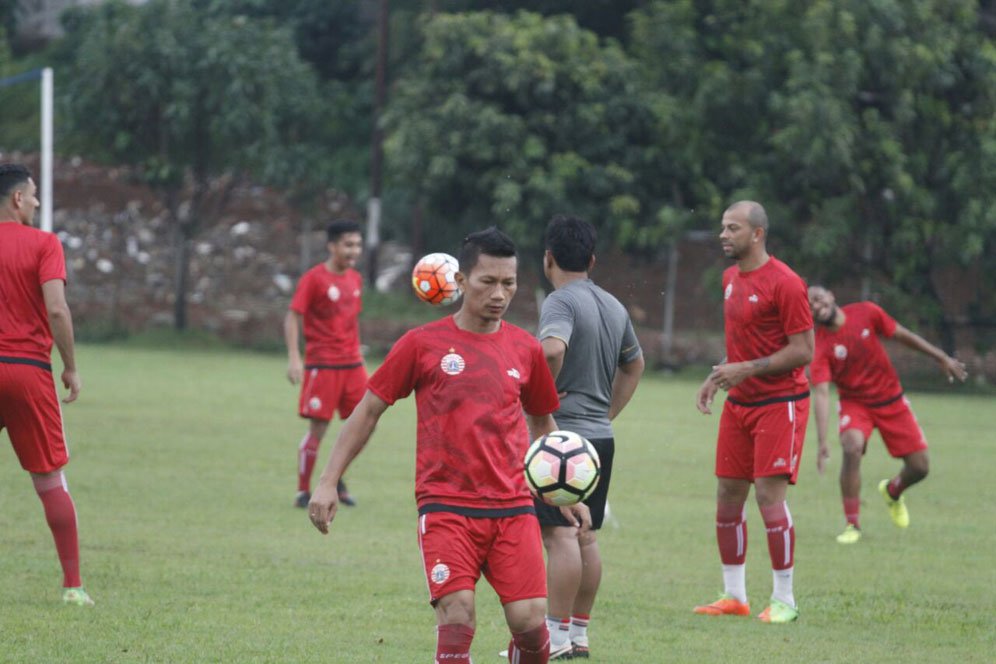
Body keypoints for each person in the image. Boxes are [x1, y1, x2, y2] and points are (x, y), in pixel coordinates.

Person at [308, 227, 591, 663]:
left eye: (509, 283)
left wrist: (562, 490)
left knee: (530, 623)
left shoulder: (525, 349)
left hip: (512, 506)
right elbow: (367, 410)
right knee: (457, 615)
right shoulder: (422, 345)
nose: (500, 294)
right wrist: (328, 481)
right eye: (488, 282)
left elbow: (542, 423)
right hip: (445, 506)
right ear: (459, 282)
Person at [693, 201, 814, 624]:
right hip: (739, 404)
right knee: (728, 495)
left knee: (768, 496)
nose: (723, 235)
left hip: (780, 403)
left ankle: (785, 600)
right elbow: (745, 345)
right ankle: (735, 595)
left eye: (733, 228)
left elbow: (804, 351)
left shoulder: (786, 283)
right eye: (722, 227)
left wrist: (746, 369)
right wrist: (718, 375)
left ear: (757, 233)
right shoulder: (730, 278)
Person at [534, 215, 644, 659]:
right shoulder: (614, 304)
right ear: (593, 259)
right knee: (586, 536)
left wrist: (541, 402)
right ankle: (578, 634)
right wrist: (608, 412)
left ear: (548, 259)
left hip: (563, 435)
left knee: (559, 537)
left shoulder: (559, 302)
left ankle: (554, 639)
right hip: (599, 436)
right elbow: (635, 364)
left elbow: (551, 349)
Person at [807, 285, 967, 544]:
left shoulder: (866, 312)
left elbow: (902, 335)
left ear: (831, 296)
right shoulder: (821, 346)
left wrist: (940, 357)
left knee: (920, 467)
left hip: (891, 398)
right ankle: (852, 524)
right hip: (855, 404)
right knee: (851, 446)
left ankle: (893, 491)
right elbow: (822, 394)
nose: (815, 305)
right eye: (809, 305)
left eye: (817, 298)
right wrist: (822, 441)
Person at [0, 163, 93, 606]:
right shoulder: (43, 244)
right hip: (26, 370)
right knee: (49, 479)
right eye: (33, 194)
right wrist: (70, 366)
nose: (37, 202)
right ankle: (73, 587)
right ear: (18, 199)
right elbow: (57, 310)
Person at [284, 220, 367, 509]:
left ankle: (335, 479)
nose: (354, 250)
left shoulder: (355, 279)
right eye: (348, 244)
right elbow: (293, 316)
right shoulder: (314, 279)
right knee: (319, 428)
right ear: (332, 246)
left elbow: (350, 321)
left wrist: (360, 356)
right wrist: (295, 357)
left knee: (363, 425)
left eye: (357, 244)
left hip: (353, 365)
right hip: (324, 364)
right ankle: (303, 490)